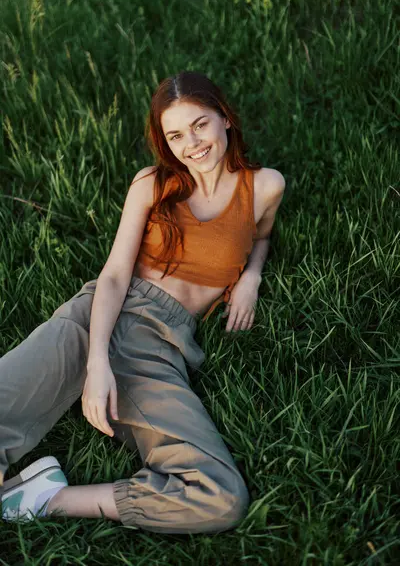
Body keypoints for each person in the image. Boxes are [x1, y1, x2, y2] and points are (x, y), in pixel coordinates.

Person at [0, 71, 285, 534]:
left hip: (159, 346)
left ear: (225, 120)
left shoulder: (266, 186)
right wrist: (96, 364)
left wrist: (251, 276)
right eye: (175, 134)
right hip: (98, 317)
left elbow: (262, 235)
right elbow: (114, 275)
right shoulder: (152, 183)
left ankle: (42, 497)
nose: (191, 143)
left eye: (200, 125)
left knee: (219, 496)